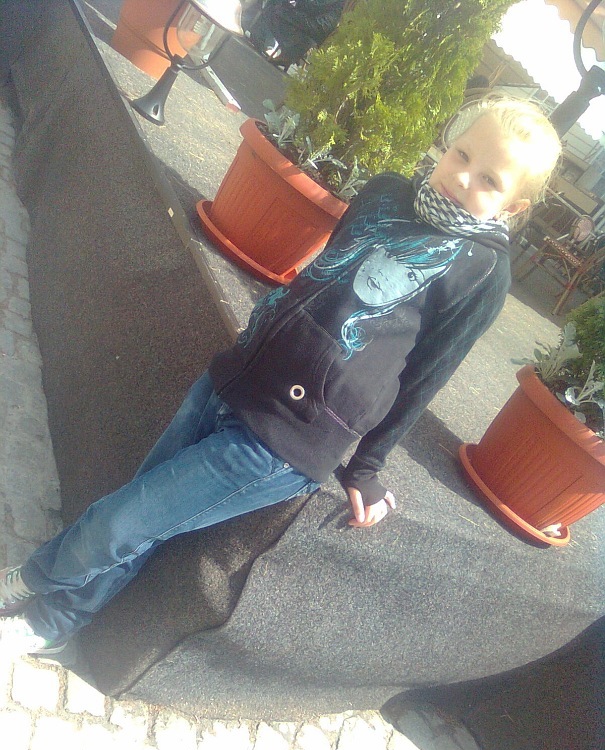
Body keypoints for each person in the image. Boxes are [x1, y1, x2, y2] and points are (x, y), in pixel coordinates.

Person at [0, 95, 561, 657]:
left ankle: (30, 582)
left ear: (513, 205)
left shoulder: (483, 272)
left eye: (489, 180)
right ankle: (58, 619)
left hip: (285, 437)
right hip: (236, 376)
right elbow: (324, 277)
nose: (462, 177)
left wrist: (366, 467)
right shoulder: (387, 192)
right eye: (462, 154)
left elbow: (425, 376)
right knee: (138, 517)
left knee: (119, 522)